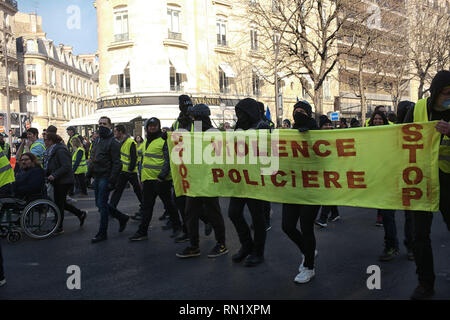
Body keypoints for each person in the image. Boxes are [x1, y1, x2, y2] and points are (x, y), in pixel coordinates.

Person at [403, 70, 450, 300]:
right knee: (419, 234)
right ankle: (425, 283)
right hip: (421, 179)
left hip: (448, 180)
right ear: (435, 93)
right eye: (446, 93)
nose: (449, 98)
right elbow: (398, 138)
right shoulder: (418, 108)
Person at [176, 104, 228, 258]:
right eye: (192, 117)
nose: (193, 120)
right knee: (190, 213)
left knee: (214, 213)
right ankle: (194, 245)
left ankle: (221, 243)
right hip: (194, 180)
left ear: (201, 117)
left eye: (195, 117)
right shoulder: (194, 131)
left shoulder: (214, 133)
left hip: (209, 179)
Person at [228, 98, 270, 266]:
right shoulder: (238, 127)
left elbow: (270, 152)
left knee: (257, 217)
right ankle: (246, 246)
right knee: (233, 213)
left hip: (255, 179)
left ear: (249, 112)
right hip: (239, 178)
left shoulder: (263, 126)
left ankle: (258, 252)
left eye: (241, 113)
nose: (239, 116)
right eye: (237, 113)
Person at [282, 100, 320, 284]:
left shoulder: (317, 133)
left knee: (306, 227)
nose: (298, 113)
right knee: (287, 226)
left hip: (312, 188)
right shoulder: (288, 135)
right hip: (293, 187)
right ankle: (308, 250)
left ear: (309, 114)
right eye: (295, 110)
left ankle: (309, 267)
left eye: (302, 111)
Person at [129, 117, 182, 241]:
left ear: (158, 126)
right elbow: (144, 160)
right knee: (147, 207)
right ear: (147, 127)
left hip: (161, 180)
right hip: (148, 179)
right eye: (150, 126)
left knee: (169, 206)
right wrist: (141, 177)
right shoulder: (147, 140)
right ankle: (142, 232)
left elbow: (168, 160)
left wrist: (161, 176)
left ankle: (177, 227)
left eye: (155, 125)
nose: (152, 127)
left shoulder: (163, 140)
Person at [87, 117, 128, 243]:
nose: (101, 126)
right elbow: (94, 159)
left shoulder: (113, 142)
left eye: (104, 124)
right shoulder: (97, 140)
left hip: (106, 176)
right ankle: (122, 217)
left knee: (102, 206)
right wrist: (88, 175)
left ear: (110, 126)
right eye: (100, 123)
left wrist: (112, 180)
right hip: (97, 176)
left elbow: (117, 163)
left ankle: (102, 232)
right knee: (100, 204)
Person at [368, 110, 401, 261]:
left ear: (385, 121)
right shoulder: (367, 136)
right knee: (386, 216)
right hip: (376, 180)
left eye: (380, 119)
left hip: (389, 180)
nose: (377, 121)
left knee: (388, 216)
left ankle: (392, 246)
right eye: (375, 119)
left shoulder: (391, 135)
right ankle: (392, 246)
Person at [45, 133, 87, 235]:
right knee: (61, 203)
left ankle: (59, 227)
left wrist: (54, 175)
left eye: (45, 139)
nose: (44, 142)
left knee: (59, 204)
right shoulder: (53, 149)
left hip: (63, 181)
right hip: (59, 180)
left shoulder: (60, 150)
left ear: (51, 141)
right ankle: (80, 214)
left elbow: (66, 166)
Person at [109, 125, 142, 222]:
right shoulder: (118, 142)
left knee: (137, 191)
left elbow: (134, 157)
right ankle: (111, 209)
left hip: (130, 172)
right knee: (118, 191)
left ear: (121, 132)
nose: (114, 133)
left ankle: (145, 208)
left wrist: (131, 169)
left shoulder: (130, 142)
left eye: (115, 131)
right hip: (123, 171)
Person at [314, 115, 340, 228]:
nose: (328, 127)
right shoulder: (315, 137)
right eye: (325, 125)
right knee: (328, 193)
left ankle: (323, 218)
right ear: (320, 127)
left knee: (327, 193)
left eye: (330, 125)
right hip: (321, 169)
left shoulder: (336, 137)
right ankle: (335, 213)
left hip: (333, 169)